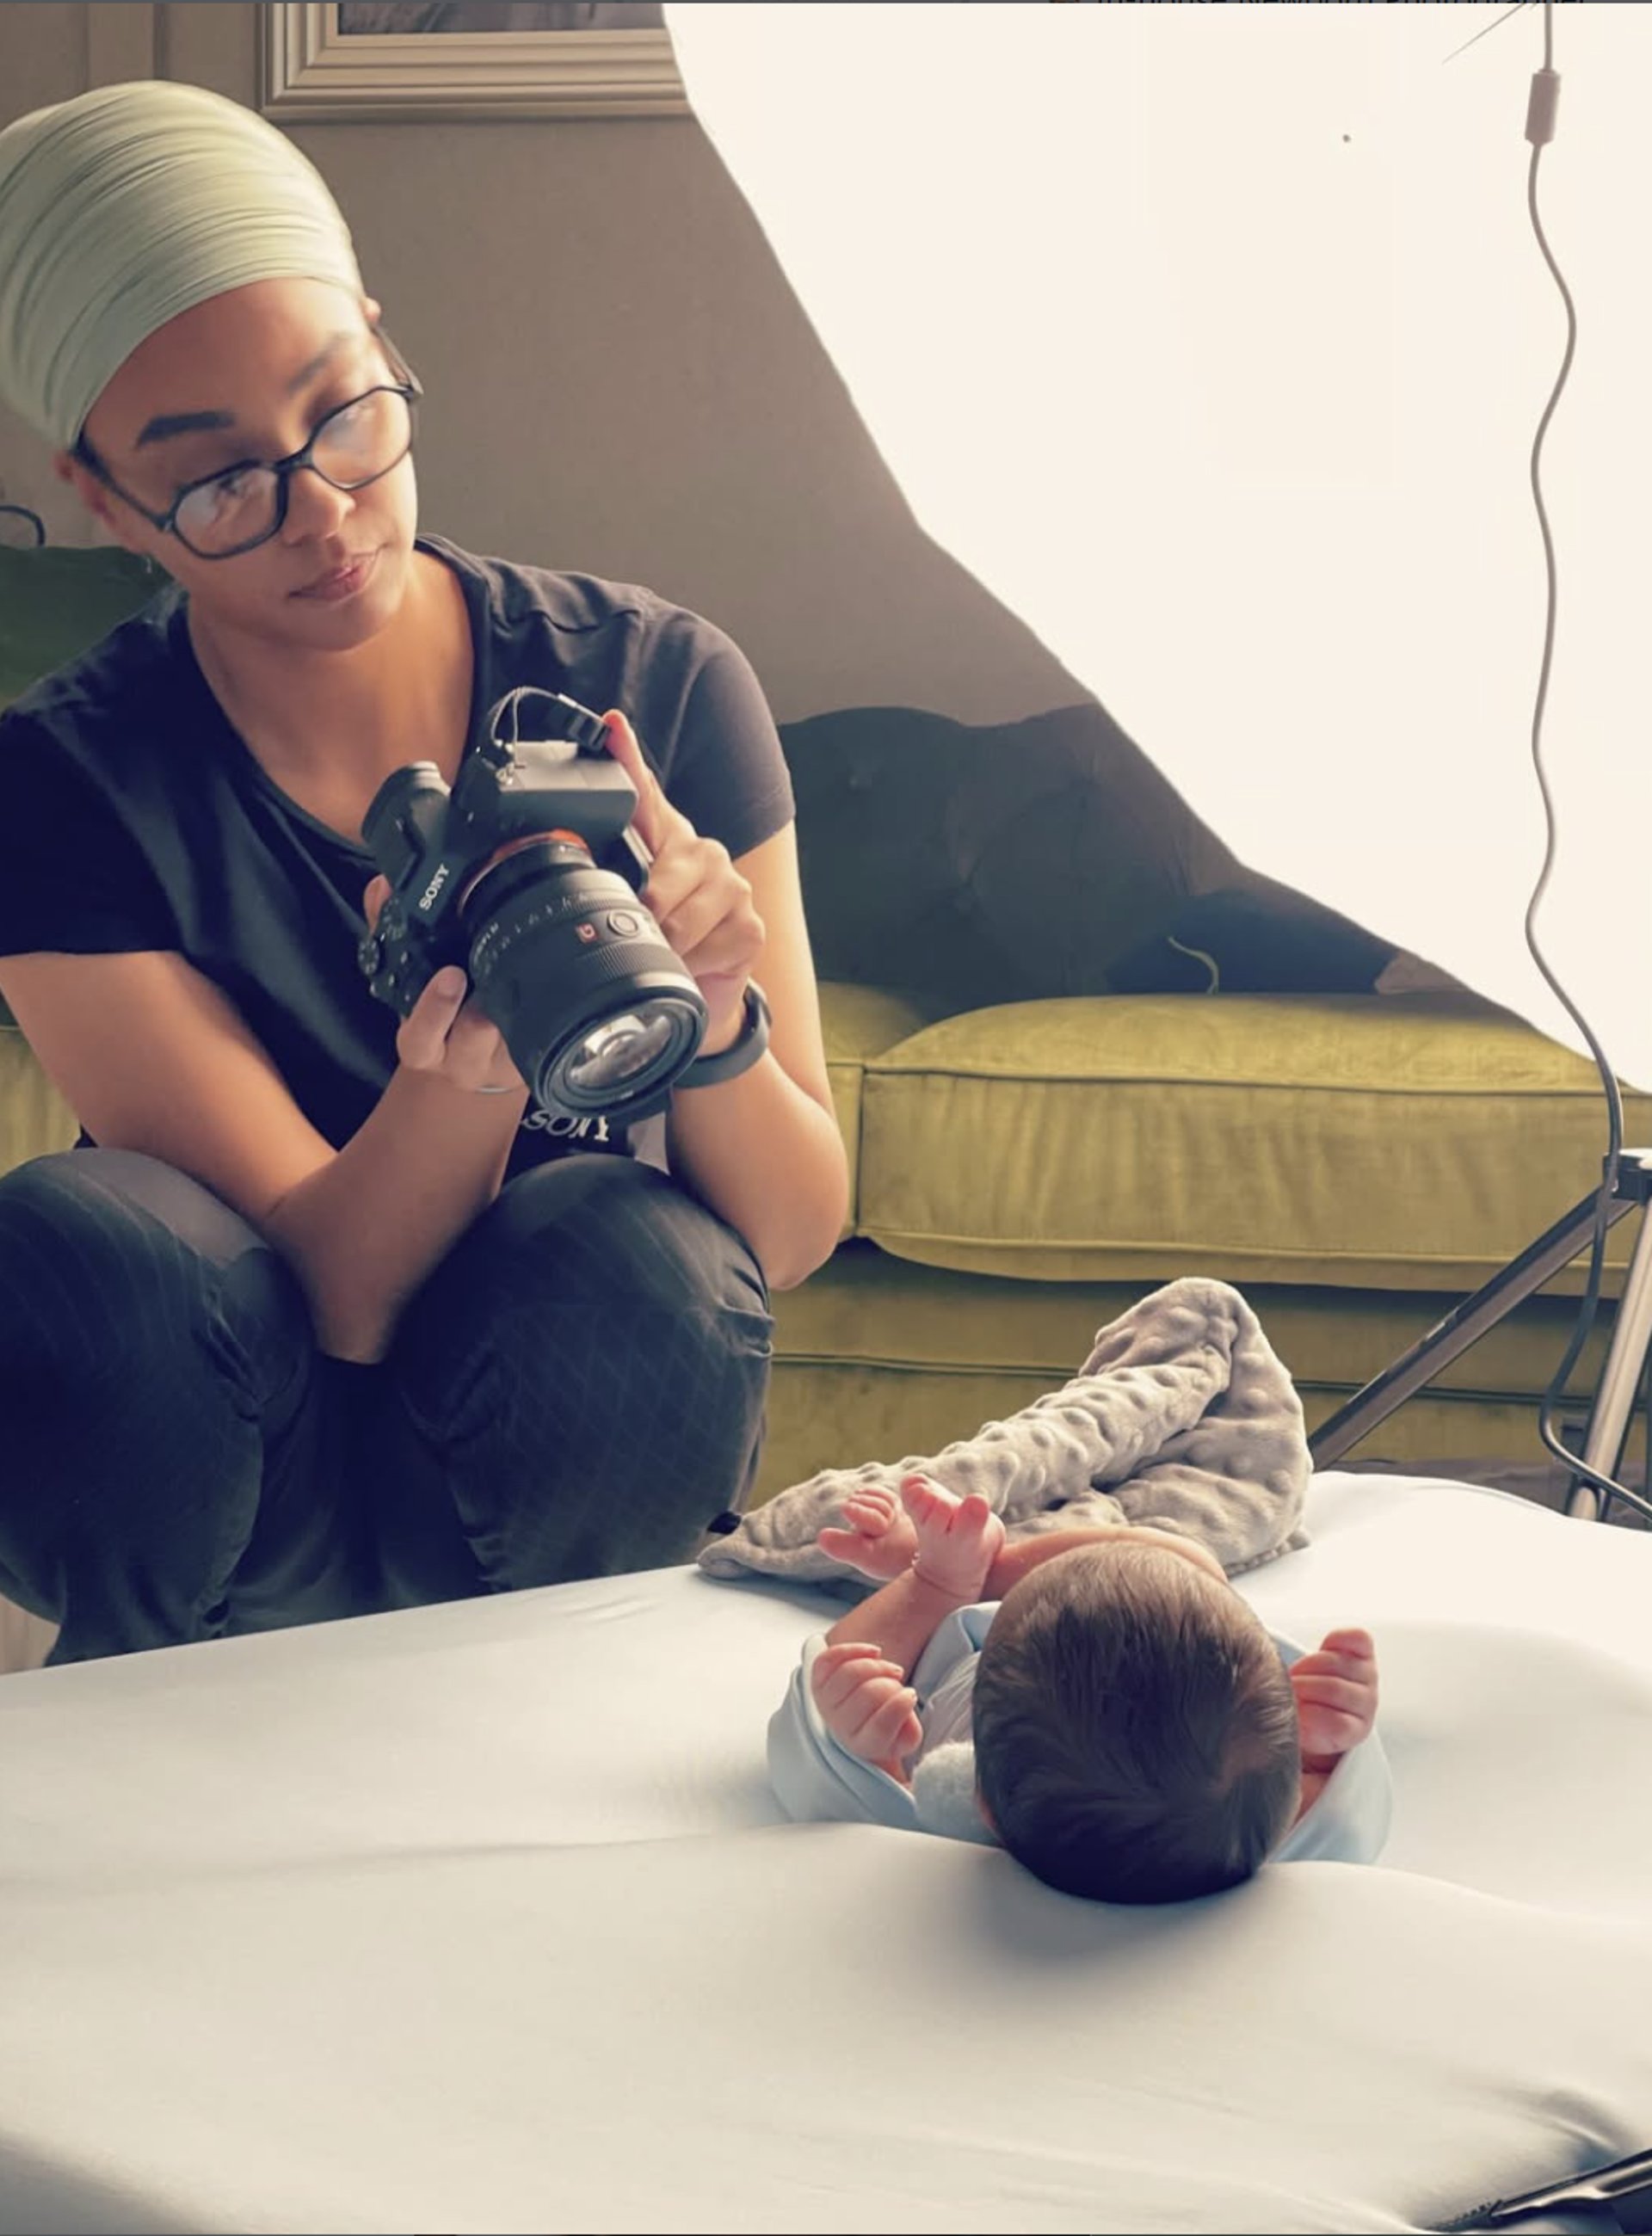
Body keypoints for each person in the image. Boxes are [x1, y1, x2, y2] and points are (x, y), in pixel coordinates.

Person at [0, 80, 848, 1666]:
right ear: (105, 496)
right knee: (88, 1247)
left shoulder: (654, 683)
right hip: (244, 1465)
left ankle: (561, 1700)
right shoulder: (59, 783)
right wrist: (456, 1067)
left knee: (636, 1251)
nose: (323, 511)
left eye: (345, 412)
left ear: (388, 346)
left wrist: (718, 1023)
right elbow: (338, 1296)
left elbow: (790, 1230)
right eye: (219, 478)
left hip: (563, 1431)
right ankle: (155, 1713)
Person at [768, 1475, 1390, 1901]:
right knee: (1188, 1564)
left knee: (852, 1660)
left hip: (961, 1654)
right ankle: (1000, 1564)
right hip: (1200, 1667)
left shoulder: (937, 1813)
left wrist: (868, 1744)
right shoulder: (1262, 1822)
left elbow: (811, 1750)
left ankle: (953, 1575)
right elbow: (1351, 1814)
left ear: (976, 1793)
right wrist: (1332, 1744)